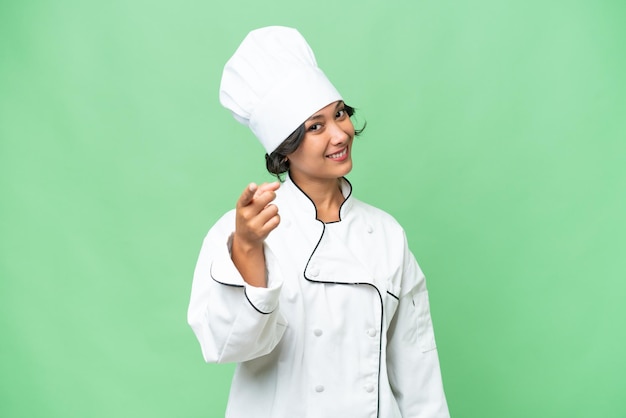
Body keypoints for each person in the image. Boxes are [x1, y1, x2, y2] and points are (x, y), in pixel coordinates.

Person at [187, 26, 450, 418]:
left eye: (340, 114)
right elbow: (225, 345)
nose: (339, 133)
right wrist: (245, 248)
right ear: (285, 147)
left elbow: (417, 367)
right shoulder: (243, 230)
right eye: (316, 127)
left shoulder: (386, 234)